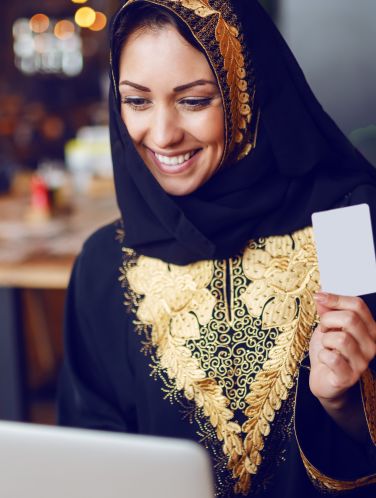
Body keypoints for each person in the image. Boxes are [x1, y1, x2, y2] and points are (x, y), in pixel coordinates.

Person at [58, 1, 376, 496]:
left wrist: (346, 408)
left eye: (194, 100)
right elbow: (87, 458)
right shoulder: (105, 263)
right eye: (137, 101)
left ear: (244, 94)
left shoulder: (346, 225)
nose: (162, 135)